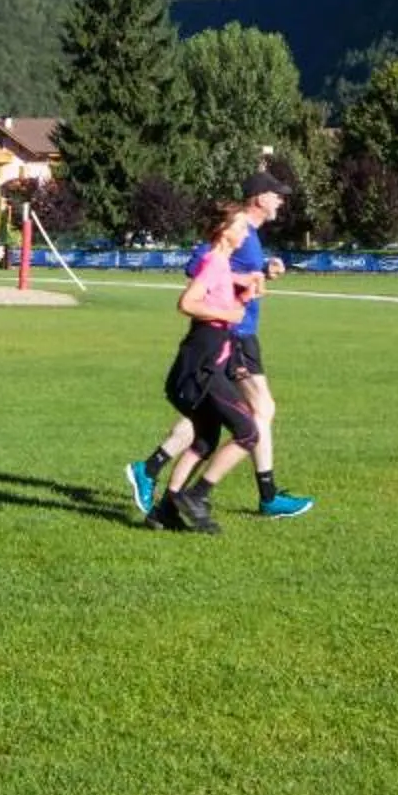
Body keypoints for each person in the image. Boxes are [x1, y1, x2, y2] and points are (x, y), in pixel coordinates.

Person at [126, 171, 315, 521]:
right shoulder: (238, 224)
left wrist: (264, 269)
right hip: (234, 333)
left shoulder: (251, 234)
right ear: (260, 197)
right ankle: (266, 494)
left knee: (213, 417)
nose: (282, 201)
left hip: (239, 330)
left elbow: (230, 266)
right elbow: (200, 263)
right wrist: (240, 280)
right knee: (259, 411)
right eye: (277, 195)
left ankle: (154, 472)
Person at [141, 207, 260, 534]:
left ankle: (164, 511)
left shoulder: (221, 264)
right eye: (241, 227)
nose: (246, 234)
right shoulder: (214, 262)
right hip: (201, 367)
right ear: (225, 231)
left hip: (208, 363)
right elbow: (188, 303)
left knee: (206, 439)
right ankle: (197, 496)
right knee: (248, 432)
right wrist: (230, 312)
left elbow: (227, 309)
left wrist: (244, 297)